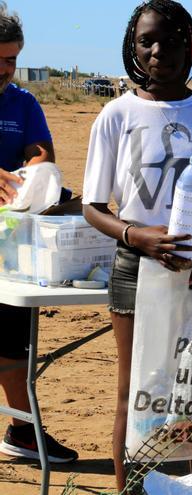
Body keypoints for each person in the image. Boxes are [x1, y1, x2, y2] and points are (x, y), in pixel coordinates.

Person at [81, 1, 192, 489]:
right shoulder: (116, 115)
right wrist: (138, 236)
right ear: (132, 49)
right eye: (146, 42)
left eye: (170, 41)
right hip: (136, 268)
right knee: (137, 391)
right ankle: (129, 488)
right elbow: (93, 208)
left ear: (190, 46)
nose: (157, 52)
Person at [0, 1, 78, 464]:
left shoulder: (23, 102)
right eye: (0, 59)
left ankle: (22, 430)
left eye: (13, 59)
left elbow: (39, 149)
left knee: (12, 342)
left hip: (11, 242)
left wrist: (34, 170)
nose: (8, 69)